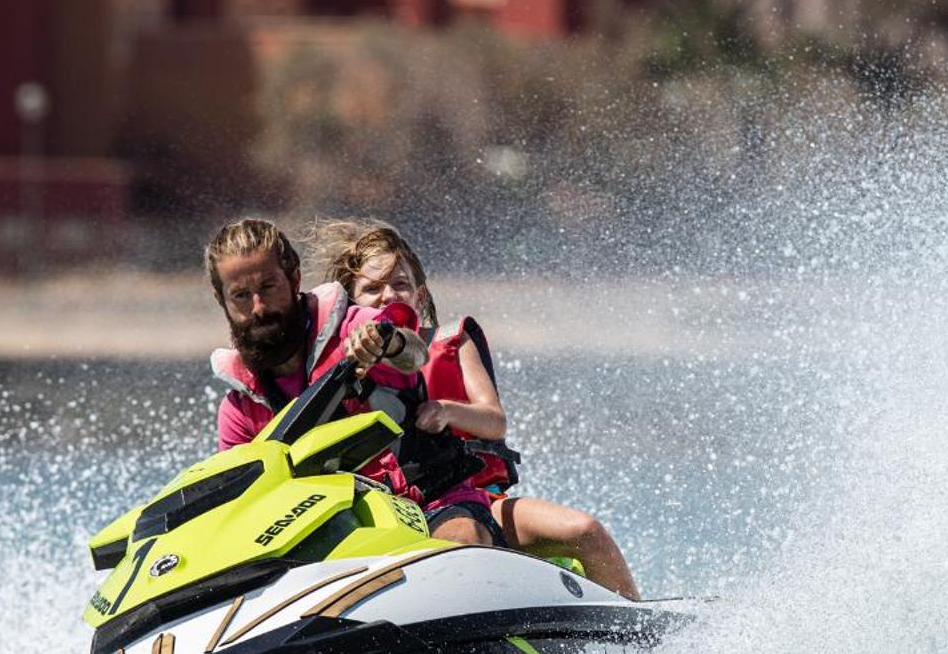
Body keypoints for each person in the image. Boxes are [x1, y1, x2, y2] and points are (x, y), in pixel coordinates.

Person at [314, 220, 641, 599]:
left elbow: (493, 422)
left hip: (471, 497)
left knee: (584, 530)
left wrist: (448, 411)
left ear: (419, 296)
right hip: (384, 513)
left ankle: (640, 634)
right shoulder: (340, 366)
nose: (388, 295)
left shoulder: (452, 342)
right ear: (351, 306)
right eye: (372, 289)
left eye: (399, 285)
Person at [206, 217, 442, 515]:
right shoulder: (239, 410)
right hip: (335, 535)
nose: (258, 307)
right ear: (222, 300)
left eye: (268, 287)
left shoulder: (352, 331)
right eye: (240, 295)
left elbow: (415, 354)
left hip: (425, 506)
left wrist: (389, 343)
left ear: (294, 280)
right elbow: (238, 509)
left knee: (463, 531)